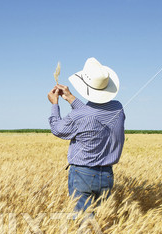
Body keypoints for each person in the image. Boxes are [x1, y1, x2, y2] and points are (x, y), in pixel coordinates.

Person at [47, 57, 126, 218]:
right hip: (107, 175)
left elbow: (58, 129)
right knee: (101, 219)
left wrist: (54, 105)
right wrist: (70, 98)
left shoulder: (79, 115)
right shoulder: (118, 107)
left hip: (83, 174)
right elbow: (93, 114)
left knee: (84, 223)